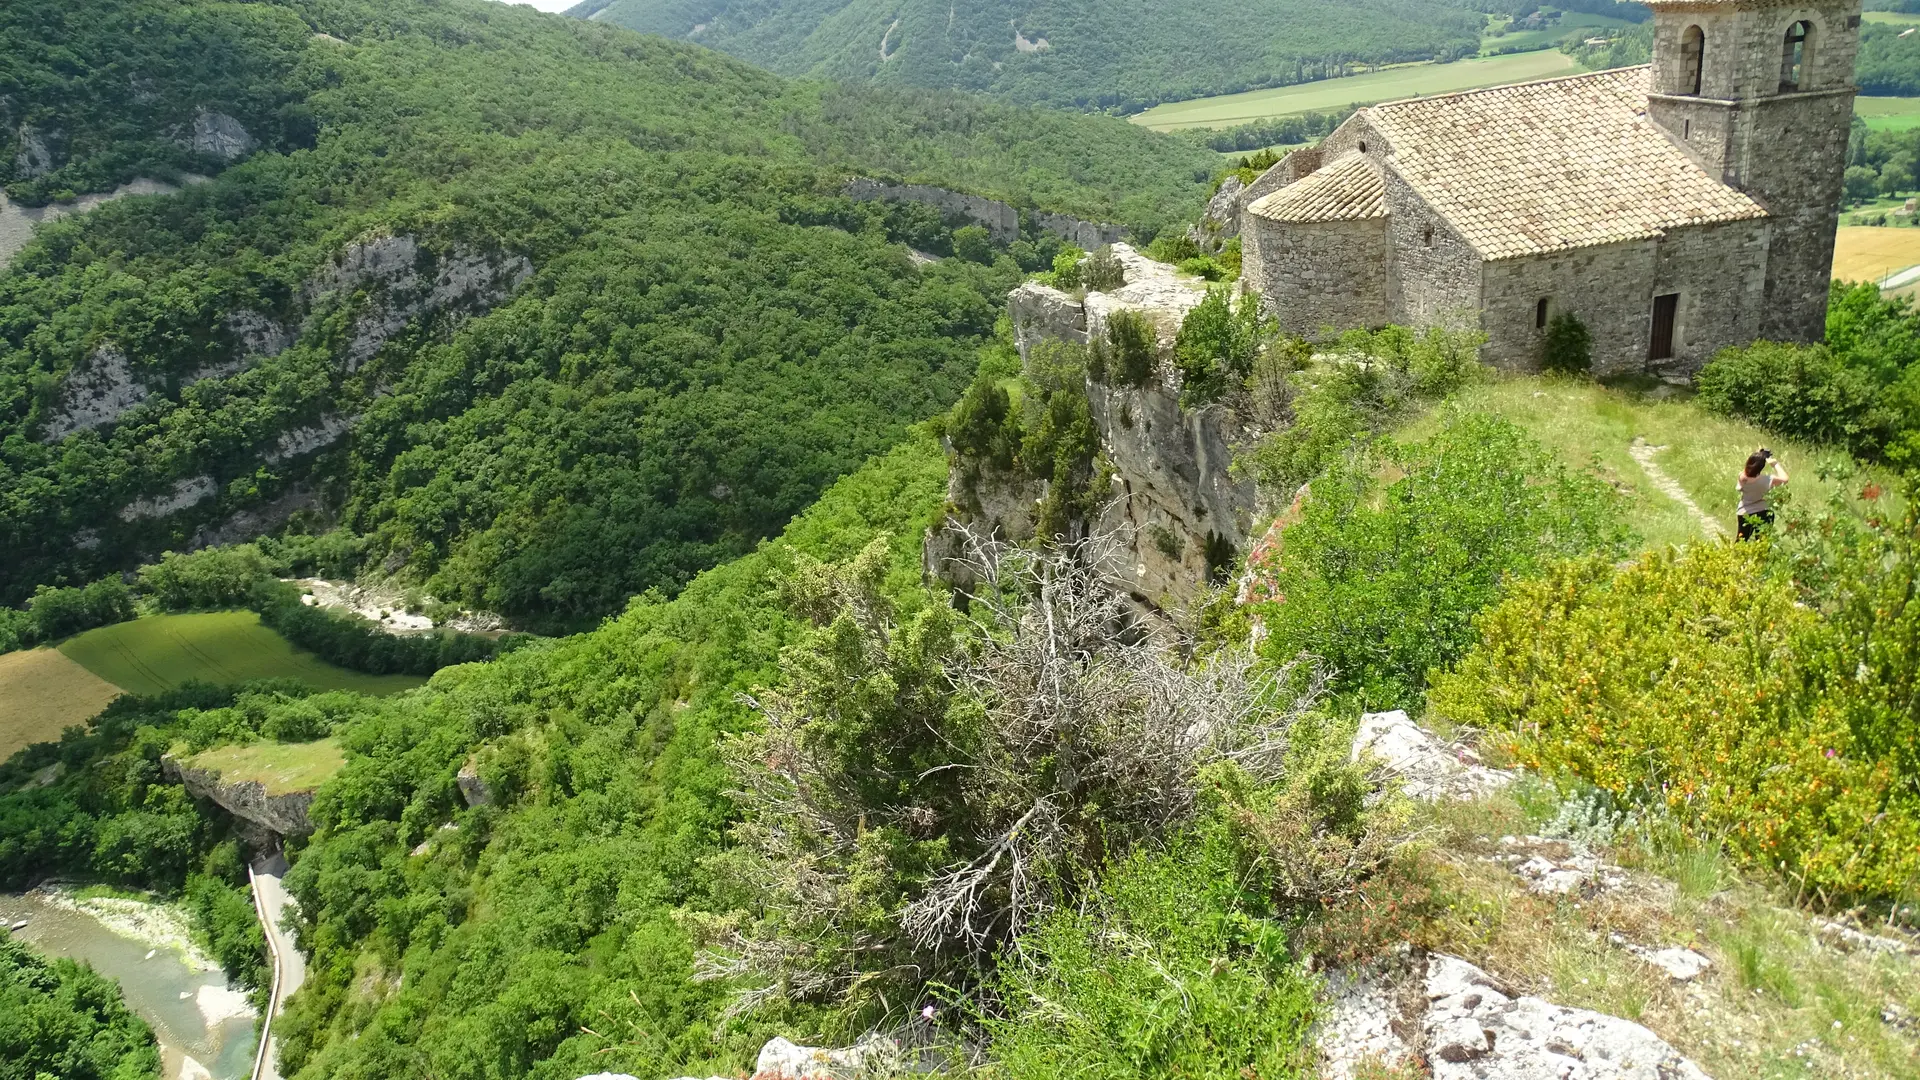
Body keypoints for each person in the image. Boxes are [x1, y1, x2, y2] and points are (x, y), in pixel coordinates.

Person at [1736, 448, 1787, 540]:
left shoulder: (1742, 477)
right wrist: (1775, 464)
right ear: (1762, 467)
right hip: (1764, 511)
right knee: (1763, 542)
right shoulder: (1768, 480)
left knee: (1741, 541)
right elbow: (1785, 479)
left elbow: (1748, 469)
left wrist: (1758, 455)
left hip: (1745, 512)